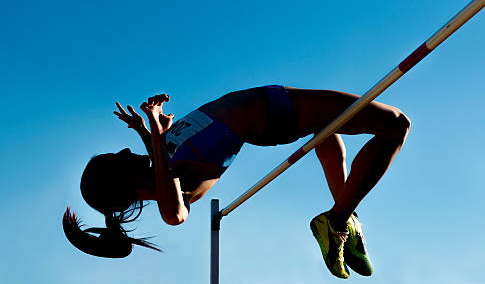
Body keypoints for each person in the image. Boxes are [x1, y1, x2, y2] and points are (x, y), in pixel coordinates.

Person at [63, 85, 410, 278]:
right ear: (125, 181)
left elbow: (160, 166)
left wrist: (146, 131)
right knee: (395, 124)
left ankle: (342, 222)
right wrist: (154, 134)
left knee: (329, 132)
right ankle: (337, 219)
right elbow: (174, 214)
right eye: (119, 158)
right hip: (273, 113)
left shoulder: (162, 169)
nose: (125, 151)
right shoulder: (174, 188)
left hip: (270, 105)